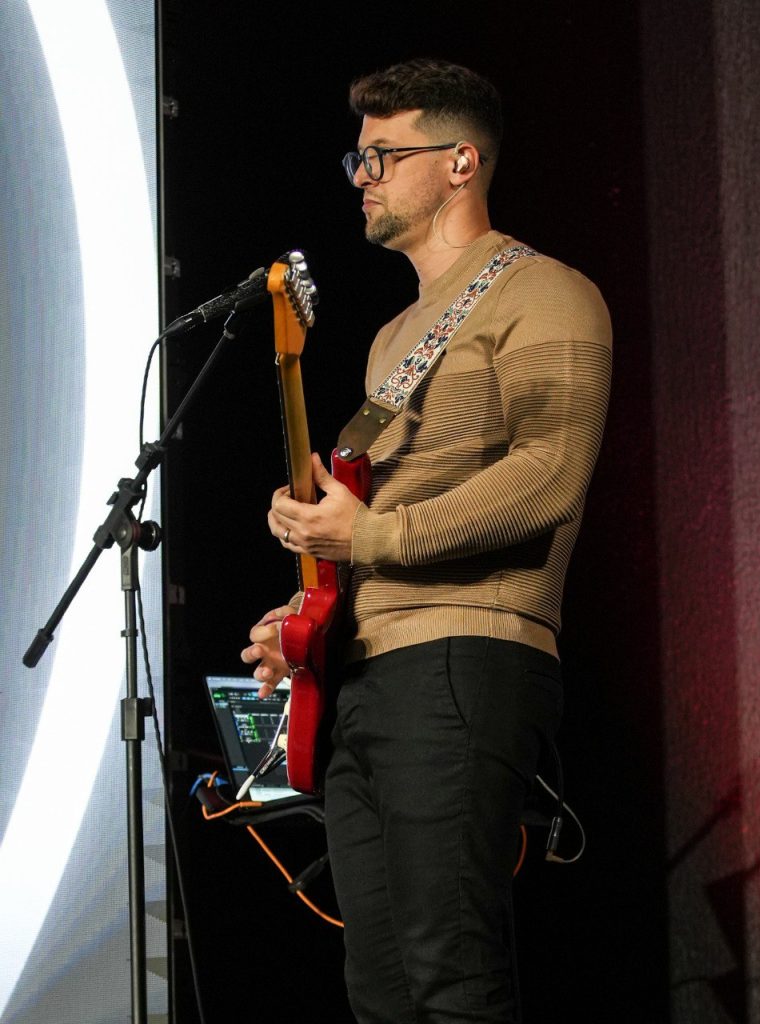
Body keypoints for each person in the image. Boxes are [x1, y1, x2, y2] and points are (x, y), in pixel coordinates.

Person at [241, 58, 612, 1024]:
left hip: (463, 656)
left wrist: (370, 532)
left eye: (383, 156)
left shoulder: (545, 292)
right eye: (356, 158)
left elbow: (549, 475)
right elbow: (379, 523)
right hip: (365, 673)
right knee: (381, 990)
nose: (361, 176)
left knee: (450, 974)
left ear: (459, 162)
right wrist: (304, 616)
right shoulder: (391, 337)